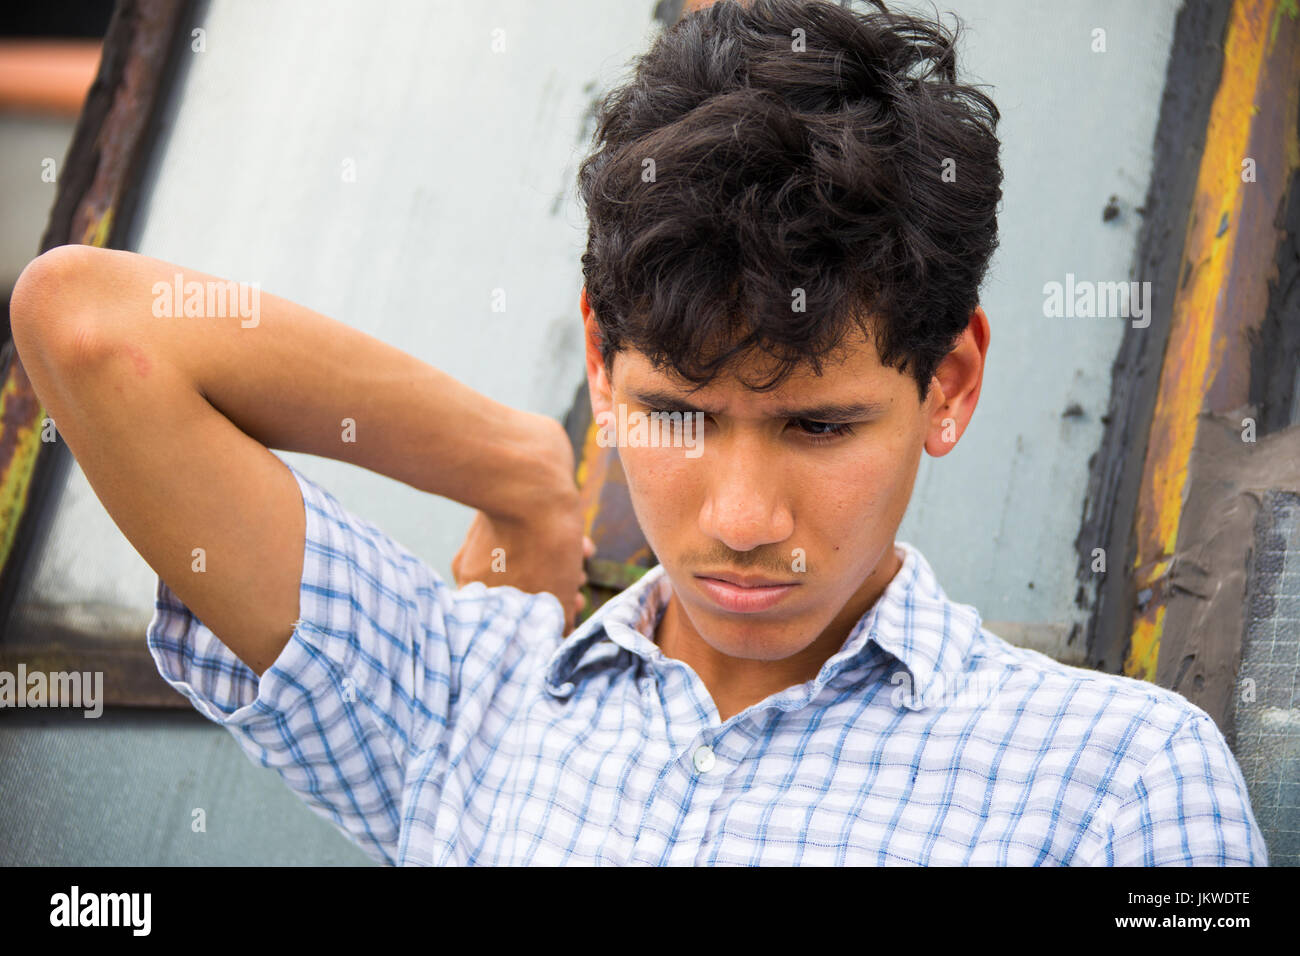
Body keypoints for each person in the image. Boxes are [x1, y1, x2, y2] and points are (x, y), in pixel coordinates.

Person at [11, 0, 1267, 865]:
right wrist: (514, 467)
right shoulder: (462, 700)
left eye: (819, 425)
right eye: (677, 413)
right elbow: (90, 325)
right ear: (601, 367)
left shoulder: (1118, 780)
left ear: (949, 385)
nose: (738, 520)